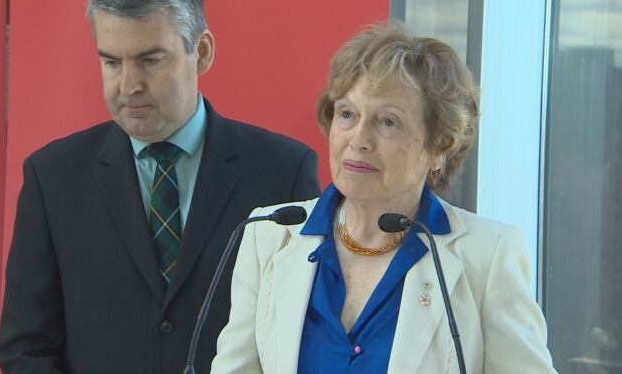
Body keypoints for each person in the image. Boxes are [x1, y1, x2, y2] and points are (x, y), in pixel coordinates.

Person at [0, 0, 320, 373]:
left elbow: (302, 332)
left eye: (150, 60)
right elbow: (26, 348)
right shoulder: (52, 177)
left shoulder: (284, 171)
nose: (128, 85)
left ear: (201, 53)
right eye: (112, 62)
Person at [211, 21, 556, 373]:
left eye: (388, 122)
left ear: (439, 146)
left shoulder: (488, 255)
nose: (359, 139)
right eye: (347, 114)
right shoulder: (269, 236)